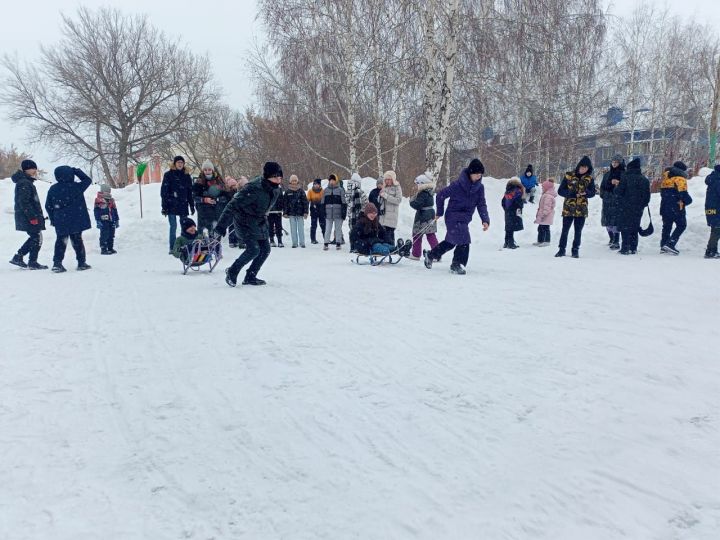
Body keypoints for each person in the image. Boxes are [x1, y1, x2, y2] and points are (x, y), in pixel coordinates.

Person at [215, 161, 283, 287]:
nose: (279, 180)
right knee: (253, 249)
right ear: (267, 176)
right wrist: (221, 226)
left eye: (280, 177)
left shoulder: (276, 189)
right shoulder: (253, 188)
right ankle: (232, 271)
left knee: (265, 249)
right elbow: (232, 205)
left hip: (259, 220)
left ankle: (250, 276)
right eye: (275, 177)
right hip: (244, 220)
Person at [423, 158, 490, 275]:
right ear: (470, 173)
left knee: (451, 241)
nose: (479, 177)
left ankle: (431, 255)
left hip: (465, 218)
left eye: (480, 175)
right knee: (464, 240)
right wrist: (439, 212)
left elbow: (481, 204)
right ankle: (457, 264)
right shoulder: (457, 185)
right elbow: (440, 195)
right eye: (477, 174)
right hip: (453, 216)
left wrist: (485, 219)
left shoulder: (480, 188)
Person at [45, 166, 93, 273]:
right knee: (77, 241)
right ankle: (81, 263)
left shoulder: (53, 189)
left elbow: (48, 206)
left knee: (61, 241)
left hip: (61, 220)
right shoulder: (77, 187)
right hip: (76, 219)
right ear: (71, 174)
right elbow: (88, 180)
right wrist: (77, 171)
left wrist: (53, 219)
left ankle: (57, 263)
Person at [9, 159, 48, 270]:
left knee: (35, 237)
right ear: (27, 169)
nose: (35, 170)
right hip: (28, 216)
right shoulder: (24, 183)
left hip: (27, 216)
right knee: (37, 237)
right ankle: (31, 261)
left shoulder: (25, 181)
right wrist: (32, 217)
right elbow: (24, 202)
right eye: (33, 168)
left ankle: (20, 257)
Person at [555, 155, 596, 258]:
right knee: (565, 230)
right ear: (578, 166)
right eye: (582, 167)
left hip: (581, 209)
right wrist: (572, 194)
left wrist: (585, 192)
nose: (584, 169)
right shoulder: (569, 176)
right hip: (569, 208)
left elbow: (593, 193)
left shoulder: (589, 178)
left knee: (578, 231)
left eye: (586, 168)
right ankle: (561, 249)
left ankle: (575, 250)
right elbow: (560, 191)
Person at [615, 158, 651, 255]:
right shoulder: (645, 180)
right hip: (638, 209)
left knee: (625, 227)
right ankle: (633, 248)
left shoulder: (625, 178)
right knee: (634, 227)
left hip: (625, 207)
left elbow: (618, 192)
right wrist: (641, 205)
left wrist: (617, 188)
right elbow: (647, 197)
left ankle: (625, 248)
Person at [161, 156, 194, 254]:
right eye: (178, 162)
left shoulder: (187, 175)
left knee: (185, 226)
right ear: (175, 163)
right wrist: (164, 206)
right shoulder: (168, 175)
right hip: (171, 204)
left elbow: (189, 192)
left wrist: (192, 205)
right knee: (173, 226)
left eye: (182, 162)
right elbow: (164, 192)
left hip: (183, 204)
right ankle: (172, 247)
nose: (180, 164)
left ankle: (184, 246)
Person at [660, 160, 692, 255]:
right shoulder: (680, 179)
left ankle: (663, 245)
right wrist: (689, 201)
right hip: (677, 207)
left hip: (664, 206)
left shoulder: (665, 178)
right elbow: (683, 194)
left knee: (667, 226)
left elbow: (663, 193)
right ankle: (670, 244)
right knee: (682, 225)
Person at [408, 173, 438, 260]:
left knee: (417, 234)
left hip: (423, 216)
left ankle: (416, 254)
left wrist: (411, 201)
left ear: (422, 183)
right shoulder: (429, 192)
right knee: (430, 234)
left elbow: (417, 205)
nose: (416, 185)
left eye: (417, 183)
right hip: (430, 214)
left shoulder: (423, 193)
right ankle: (437, 254)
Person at [193, 159, 226, 234]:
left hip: (217, 212)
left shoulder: (219, 181)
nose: (207, 171)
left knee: (216, 237)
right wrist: (204, 200)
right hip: (203, 213)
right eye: (205, 170)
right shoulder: (198, 182)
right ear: (202, 171)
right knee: (204, 236)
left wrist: (217, 199)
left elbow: (225, 196)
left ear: (212, 170)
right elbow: (195, 197)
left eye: (209, 169)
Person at [600, 154, 625, 250]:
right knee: (607, 222)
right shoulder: (607, 174)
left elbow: (625, 188)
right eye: (613, 162)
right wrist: (604, 195)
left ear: (620, 163)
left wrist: (618, 184)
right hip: (607, 201)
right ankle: (611, 238)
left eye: (616, 162)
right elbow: (602, 187)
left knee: (616, 222)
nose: (614, 164)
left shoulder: (623, 174)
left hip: (617, 201)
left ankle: (616, 241)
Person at [321, 175, 347, 250]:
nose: (332, 181)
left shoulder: (340, 190)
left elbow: (343, 202)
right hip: (328, 214)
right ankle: (326, 243)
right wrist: (323, 212)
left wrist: (343, 213)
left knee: (338, 229)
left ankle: (338, 243)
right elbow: (323, 202)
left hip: (338, 213)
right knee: (328, 229)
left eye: (333, 180)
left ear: (336, 181)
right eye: (331, 180)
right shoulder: (325, 190)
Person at [282, 174, 309, 248]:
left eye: (295, 180)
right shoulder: (287, 192)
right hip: (291, 213)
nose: (294, 182)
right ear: (290, 182)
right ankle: (294, 243)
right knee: (293, 229)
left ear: (297, 181)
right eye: (292, 181)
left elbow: (305, 202)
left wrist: (306, 212)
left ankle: (302, 243)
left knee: (301, 229)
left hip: (300, 213)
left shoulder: (301, 191)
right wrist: (285, 212)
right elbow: (285, 203)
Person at [93, 184, 119, 254]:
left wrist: (117, 220)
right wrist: (98, 220)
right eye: (108, 190)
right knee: (104, 235)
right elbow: (96, 211)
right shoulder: (98, 200)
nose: (110, 191)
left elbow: (115, 210)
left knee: (111, 234)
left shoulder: (111, 200)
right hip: (103, 221)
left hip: (111, 220)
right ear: (104, 190)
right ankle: (103, 249)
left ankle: (110, 248)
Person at [378, 170, 403, 244]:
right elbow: (380, 201)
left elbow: (398, 200)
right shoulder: (384, 187)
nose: (388, 181)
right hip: (383, 215)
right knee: (382, 234)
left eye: (389, 179)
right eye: (386, 179)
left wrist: (386, 196)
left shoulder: (397, 187)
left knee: (389, 235)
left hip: (391, 215)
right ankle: (383, 249)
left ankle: (392, 249)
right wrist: (380, 197)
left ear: (393, 179)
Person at [346, 173, 368, 252]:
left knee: (352, 230)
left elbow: (346, 202)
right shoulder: (361, 192)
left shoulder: (348, 191)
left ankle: (352, 246)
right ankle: (357, 246)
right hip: (359, 215)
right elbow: (366, 203)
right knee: (358, 231)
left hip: (351, 216)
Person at [502, 177, 524, 249]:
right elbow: (518, 202)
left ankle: (506, 242)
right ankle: (511, 244)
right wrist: (521, 206)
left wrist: (506, 209)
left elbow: (503, 202)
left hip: (508, 211)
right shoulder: (517, 191)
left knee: (508, 227)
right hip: (514, 211)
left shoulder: (507, 191)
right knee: (512, 228)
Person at [533, 179, 556, 246]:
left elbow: (547, 206)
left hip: (546, 215)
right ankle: (540, 240)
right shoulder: (546, 195)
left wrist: (544, 214)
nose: (542, 188)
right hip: (543, 215)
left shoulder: (548, 196)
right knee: (540, 228)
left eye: (543, 187)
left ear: (547, 188)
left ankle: (546, 241)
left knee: (545, 228)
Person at [703, 164, 720, 259]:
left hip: (710, 208)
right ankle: (710, 251)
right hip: (717, 208)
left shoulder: (713, 179)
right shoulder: (718, 181)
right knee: (716, 229)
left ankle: (712, 250)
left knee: (715, 229)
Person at [307, 178, 325, 244]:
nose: (316, 185)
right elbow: (307, 201)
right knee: (313, 225)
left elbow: (324, 201)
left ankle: (325, 238)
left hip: (321, 210)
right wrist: (306, 211)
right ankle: (313, 239)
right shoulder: (310, 191)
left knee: (323, 225)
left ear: (320, 185)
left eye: (317, 184)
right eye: (315, 184)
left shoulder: (322, 191)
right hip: (313, 210)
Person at [267, 183, 284, 247]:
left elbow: (281, 198)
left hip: (278, 211)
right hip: (270, 211)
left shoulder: (279, 188)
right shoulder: (267, 187)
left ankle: (280, 241)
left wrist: (282, 207)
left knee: (279, 226)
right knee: (270, 226)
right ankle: (271, 240)